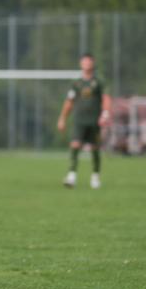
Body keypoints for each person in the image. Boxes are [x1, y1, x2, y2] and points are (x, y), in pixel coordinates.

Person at [57, 53, 111, 189]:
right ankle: (71, 175)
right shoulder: (76, 83)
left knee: (94, 149)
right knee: (75, 145)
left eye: (89, 61)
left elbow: (106, 98)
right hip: (79, 120)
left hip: (94, 121)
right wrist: (62, 118)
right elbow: (69, 102)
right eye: (84, 61)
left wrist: (105, 114)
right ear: (81, 64)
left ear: (93, 63)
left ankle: (95, 176)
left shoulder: (99, 82)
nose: (86, 64)